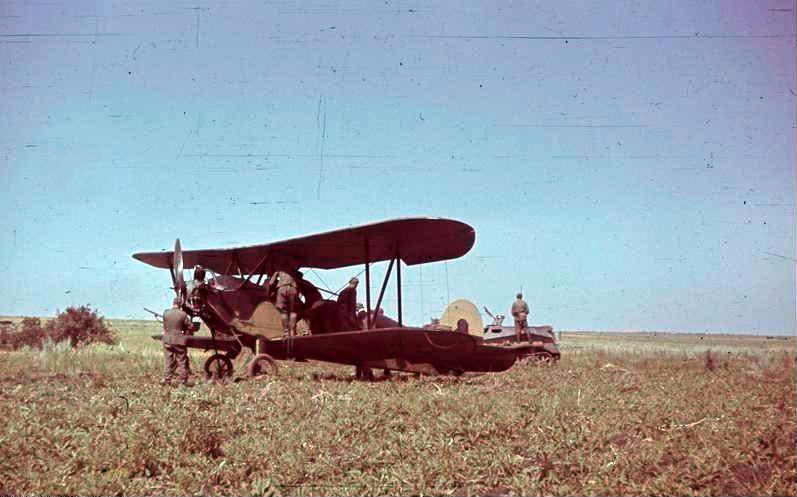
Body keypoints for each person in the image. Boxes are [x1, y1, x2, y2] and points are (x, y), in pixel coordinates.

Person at [162, 297, 193, 386]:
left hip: (167, 339)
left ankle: (167, 380)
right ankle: (183, 381)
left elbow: (165, 326)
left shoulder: (166, 313)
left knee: (168, 361)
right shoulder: (183, 314)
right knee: (181, 361)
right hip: (179, 340)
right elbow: (190, 326)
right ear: (180, 304)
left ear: (173, 303)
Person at [268, 267, 299, 337]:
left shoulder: (278, 270)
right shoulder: (293, 270)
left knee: (283, 312)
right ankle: (293, 332)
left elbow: (271, 283)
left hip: (281, 288)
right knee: (293, 311)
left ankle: (286, 332)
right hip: (293, 288)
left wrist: (271, 292)